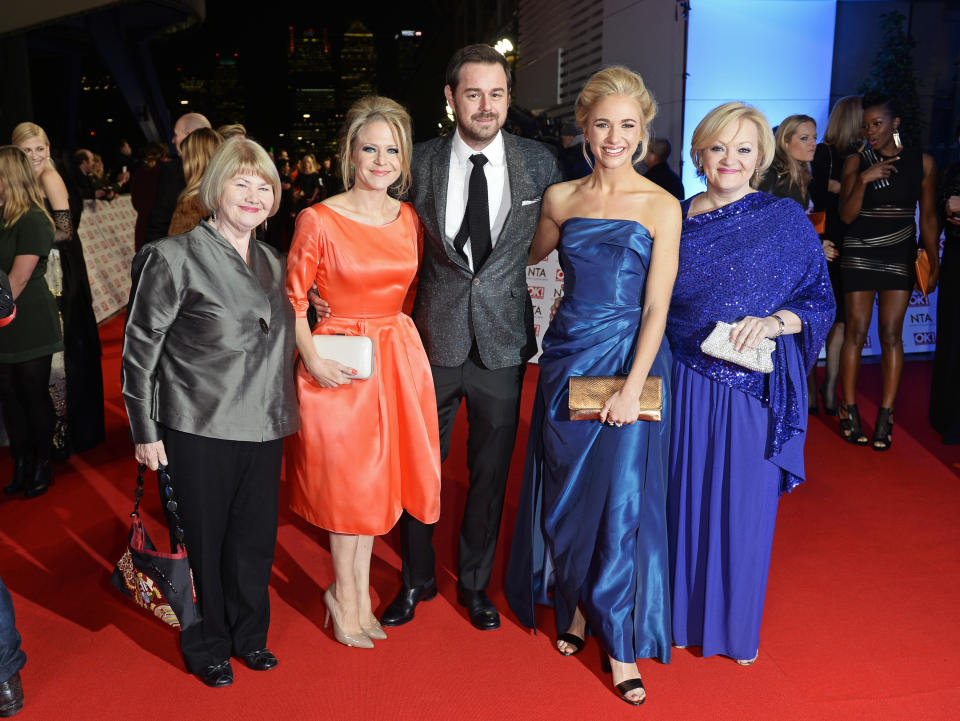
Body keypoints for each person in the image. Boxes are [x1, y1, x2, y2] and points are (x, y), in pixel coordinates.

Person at [358, 44, 564, 632]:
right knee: (419, 469)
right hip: (429, 343)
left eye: (496, 94)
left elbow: (573, 237)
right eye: (472, 94)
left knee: (490, 474)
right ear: (450, 99)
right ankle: (416, 577)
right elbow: (375, 234)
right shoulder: (416, 163)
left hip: (502, 345)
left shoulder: (538, 164)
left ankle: (474, 584)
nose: (486, 105)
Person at [505, 67, 680, 706]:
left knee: (623, 498)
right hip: (569, 361)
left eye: (627, 126)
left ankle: (622, 641)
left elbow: (657, 308)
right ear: (583, 128)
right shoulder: (560, 199)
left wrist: (634, 388)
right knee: (569, 495)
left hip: (634, 363)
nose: (614, 136)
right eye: (602, 123)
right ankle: (576, 607)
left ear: (643, 133)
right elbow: (518, 262)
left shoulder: (662, 205)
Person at [122, 137, 298, 687]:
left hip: (265, 424)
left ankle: (249, 636)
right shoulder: (172, 256)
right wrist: (145, 432)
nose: (253, 194)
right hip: (196, 426)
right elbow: (139, 350)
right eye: (239, 182)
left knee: (253, 541)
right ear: (212, 189)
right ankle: (208, 642)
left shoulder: (274, 261)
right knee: (202, 539)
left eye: (264, 185)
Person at [667, 102, 834, 666]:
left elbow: (819, 299)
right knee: (678, 504)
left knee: (742, 511)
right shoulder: (671, 217)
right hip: (682, 382)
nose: (730, 160)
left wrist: (774, 320)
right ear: (699, 155)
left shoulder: (784, 220)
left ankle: (735, 630)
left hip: (751, 391)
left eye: (743, 150)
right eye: (718, 148)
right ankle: (671, 620)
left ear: (761, 158)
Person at [286, 96, 441, 649]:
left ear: (404, 158)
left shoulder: (409, 219)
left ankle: (349, 597)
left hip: (396, 357)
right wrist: (311, 356)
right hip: (339, 364)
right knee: (349, 488)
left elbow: (412, 290)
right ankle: (345, 597)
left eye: (391, 149)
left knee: (378, 487)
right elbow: (293, 298)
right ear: (349, 153)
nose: (381, 160)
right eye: (369, 148)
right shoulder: (318, 217)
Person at [838, 92, 939, 449]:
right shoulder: (856, 161)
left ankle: (885, 415)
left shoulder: (922, 163)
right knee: (856, 331)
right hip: (860, 251)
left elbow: (927, 216)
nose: (870, 131)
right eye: (866, 125)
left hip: (899, 252)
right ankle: (848, 411)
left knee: (892, 333)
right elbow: (847, 216)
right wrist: (865, 179)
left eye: (877, 124)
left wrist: (932, 258)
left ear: (895, 124)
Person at [12, 122, 105, 457]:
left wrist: (24, 237)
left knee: (58, 350)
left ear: (48, 148)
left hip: (56, 270)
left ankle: (60, 432)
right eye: (27, 150)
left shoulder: (50, 177)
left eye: (40, 148)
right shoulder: (23, 181)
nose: (36, 156)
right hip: (39, 265)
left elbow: (66, 231)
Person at [0, 145, 63, 498]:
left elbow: (19, 278)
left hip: (29, 318)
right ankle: (21, 461)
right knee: (8, 395)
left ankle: (42, 462)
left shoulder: (35, 219)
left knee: (32, 392)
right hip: (2, 317)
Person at [759, 115, 820, 412]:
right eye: (804, 138)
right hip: (775, 271)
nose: (813, 144)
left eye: (814, 137)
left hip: (786, 268)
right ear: (785, 142)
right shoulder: (777, 174)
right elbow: (769, 226)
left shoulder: (796, 173)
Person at [811, 96, 863, 416]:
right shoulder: (823, 152)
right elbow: (815, 192)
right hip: (825, 240)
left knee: (842, 319)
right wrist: (850, 188)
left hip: (853, 243)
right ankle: (811, 386)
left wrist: (839, 187)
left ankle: (829, 385)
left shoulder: (864, 155)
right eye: (864, 119)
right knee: (820, 319)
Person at [930, 120, 960, 443]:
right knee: (951, 337)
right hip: (954, 260)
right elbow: (936, 216)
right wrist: (932, 264)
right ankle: (947, 417)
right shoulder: (951, 172)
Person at [145, 112, 211, 242]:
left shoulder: (173, 170)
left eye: (176, 134)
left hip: (180, 254)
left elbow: (159, 221)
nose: (173, 140)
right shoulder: (230, 170)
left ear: (189, 135)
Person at [167, 127, 223, 236]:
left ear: (192, 162)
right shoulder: (236, 196)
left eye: (184, 157)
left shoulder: (192, 204)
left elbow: (179, 250)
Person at [130, 141, 167, 252]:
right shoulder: (166, 170)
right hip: (163, 225)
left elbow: (135, 201)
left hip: (143, 224)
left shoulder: (139, 172)